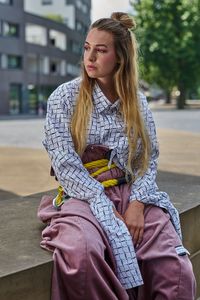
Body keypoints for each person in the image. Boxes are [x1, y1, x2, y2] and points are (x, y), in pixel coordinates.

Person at [38, 12, 196, 300]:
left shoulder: (137, 100)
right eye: (87, 48)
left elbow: (148, 157)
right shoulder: (64, 97)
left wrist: (137, 203)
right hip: (83, 195)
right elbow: (64, 162)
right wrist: (102, 205)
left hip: (131, 190)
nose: (90, 57)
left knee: (175, 267)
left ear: (120, 58)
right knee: (81, 255)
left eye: (101, 50)